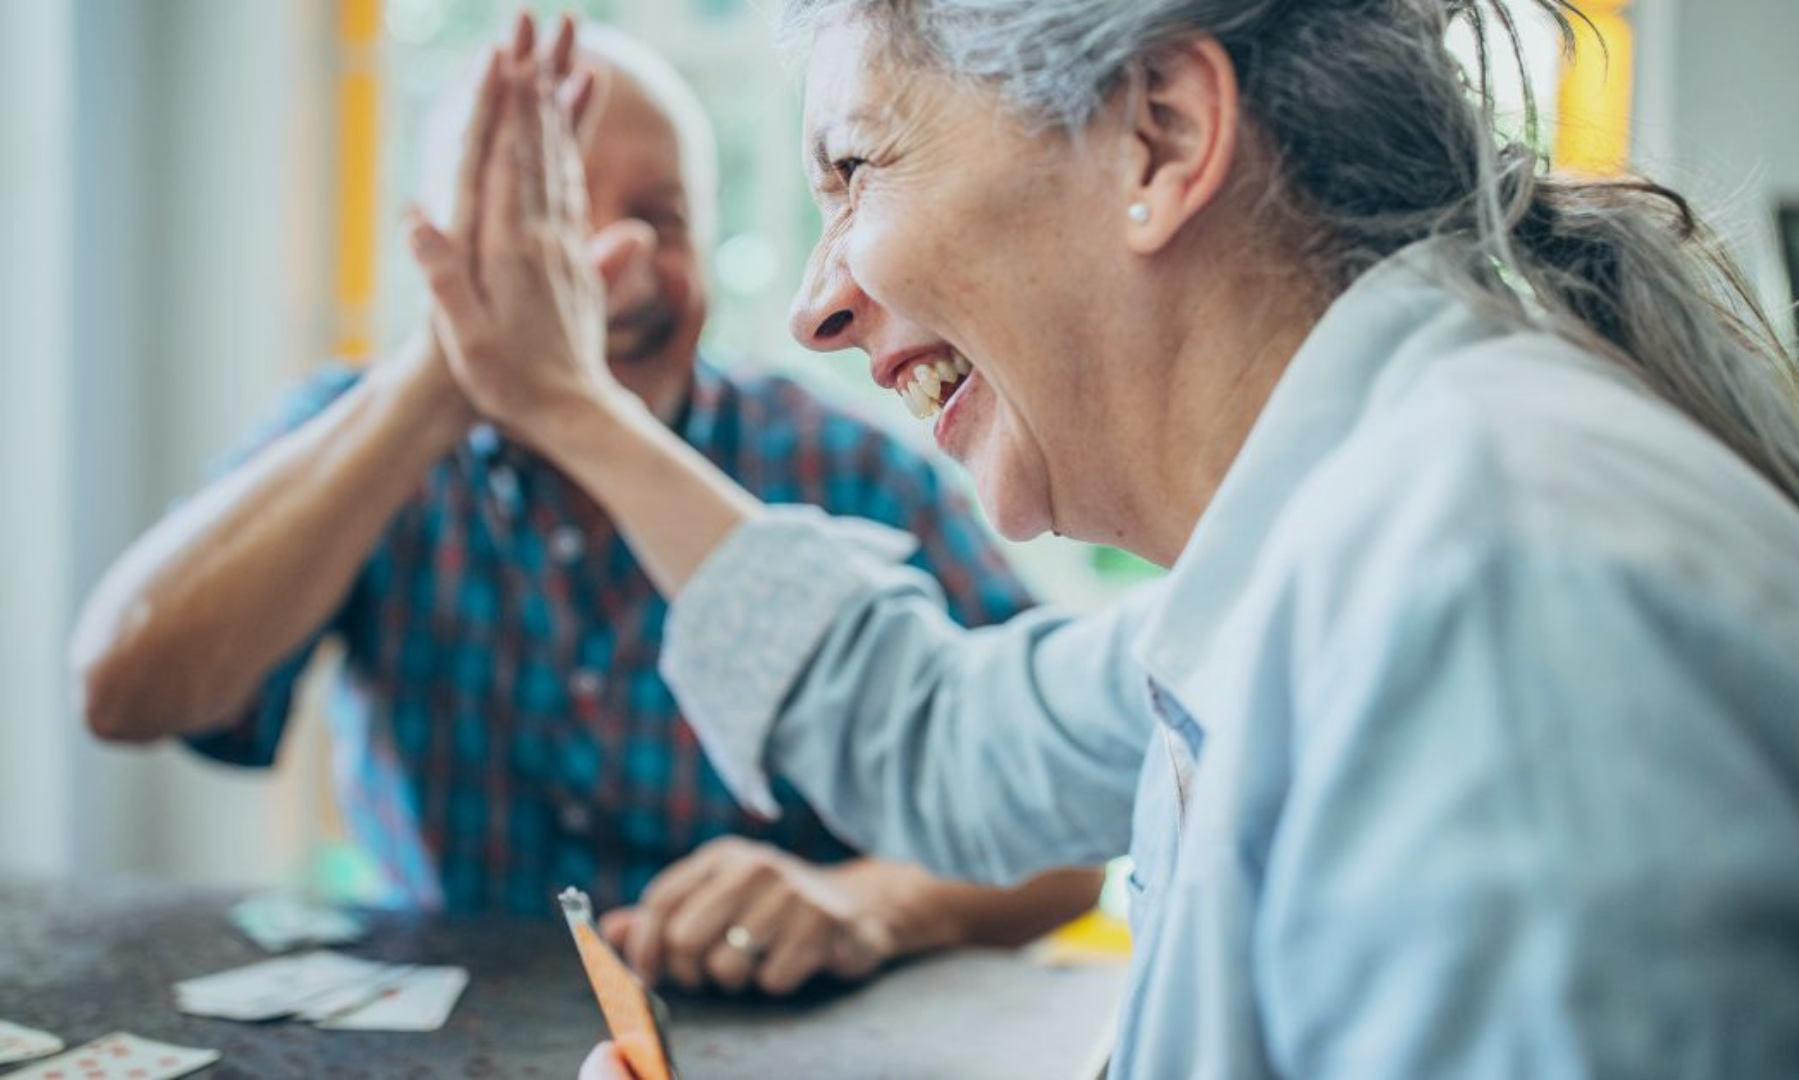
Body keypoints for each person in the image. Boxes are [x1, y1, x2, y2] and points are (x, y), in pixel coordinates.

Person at [401, 4, 1799, 1077]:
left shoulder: (1499, 605)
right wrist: (571, 409)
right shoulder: (1332, 545)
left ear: (1162, 138)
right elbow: (937, 728)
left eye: (855, 169)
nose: (816, 308)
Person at [67, 19, 1104, 998]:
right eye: (551, 226)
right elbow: (128, 690)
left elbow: (1064, 831)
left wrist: (866, 903)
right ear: (442, 252)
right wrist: (451, 372)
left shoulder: (847, 468)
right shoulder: (353, 432)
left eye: (660, 220)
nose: (612, 268)